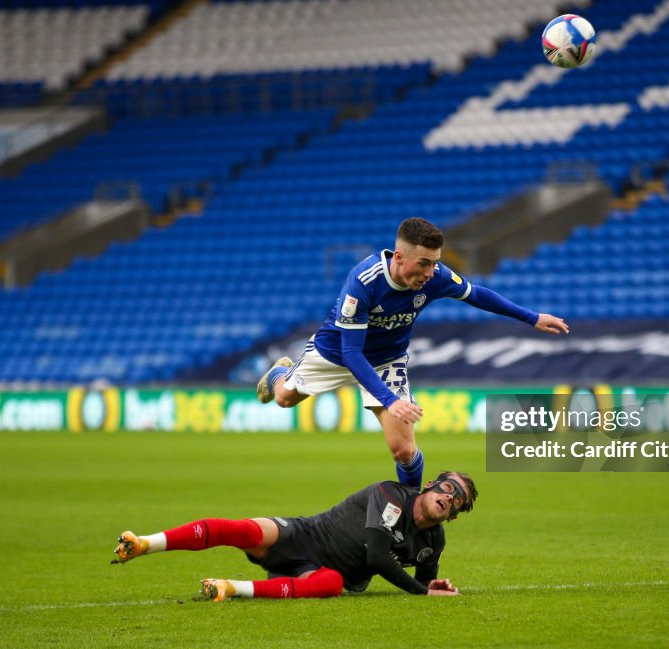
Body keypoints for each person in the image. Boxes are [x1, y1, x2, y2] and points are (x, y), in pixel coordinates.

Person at [256, 218, 569, 488]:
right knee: (283, 399)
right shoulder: (364, 282)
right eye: (424, 263)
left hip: (387, 359)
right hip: (336, 351)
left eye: (435, 263)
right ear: (399, 257)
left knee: (403, 450)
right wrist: (391, 402)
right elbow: (352, 354)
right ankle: (279, 373)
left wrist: (532, 317)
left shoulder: (436, 277)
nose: (431, 272)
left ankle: (409, 517)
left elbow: (477, 294)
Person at [110, 470, 478, 600]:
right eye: (447, 487)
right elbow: (378, 558)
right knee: (243, 530)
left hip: (317, 574)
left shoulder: (434, 542)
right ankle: (146, 543)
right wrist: (420, 592)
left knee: (332, 584)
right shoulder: (390, 494)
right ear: (430, 485)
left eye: (457, 499)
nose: (449, 497)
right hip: (306, 535)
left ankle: (229, 587)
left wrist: (432, 588)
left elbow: (425, 583)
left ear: (456, 514)